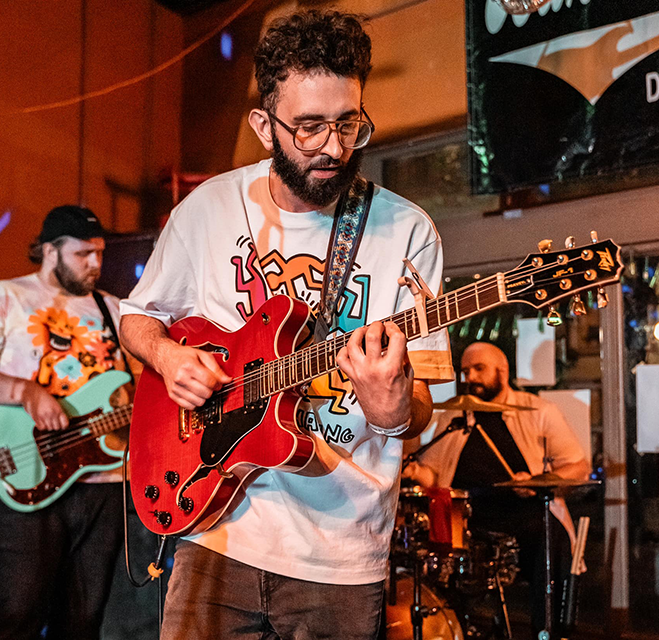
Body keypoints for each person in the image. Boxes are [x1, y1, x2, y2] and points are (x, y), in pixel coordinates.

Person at [119, 10, 454, 640]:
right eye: (308, 127)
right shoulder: (207, 210)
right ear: (262, 124)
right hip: (213, 529)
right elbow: (140, 316)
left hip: (342, 551)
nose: (333, 147)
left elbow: (425, 406)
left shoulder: (408, 231)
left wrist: (390, 408)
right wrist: (167, 359)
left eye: (349, 123)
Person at [0, 205, 133, 640]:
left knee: (84, 618)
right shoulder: (6, 297)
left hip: (105, 480)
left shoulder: (113, 309)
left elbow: (138, 387)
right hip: (30, 473)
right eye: (84, 253)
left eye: (100, 253)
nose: (95, 263)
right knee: (17, 609)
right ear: (50, 250)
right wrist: (26, 392)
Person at [406, 341, 591, 636]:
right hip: (466, 518)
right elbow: (434, 475)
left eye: (479, 369)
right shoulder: (452, 418)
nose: (471, 378)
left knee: (551, 537)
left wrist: (533, 482)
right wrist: (414, 470)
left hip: (522, 514)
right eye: (465, 371)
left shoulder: (538, 410)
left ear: (502, 371)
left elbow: (578, 466)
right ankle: (449, 627)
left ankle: (547, 630)